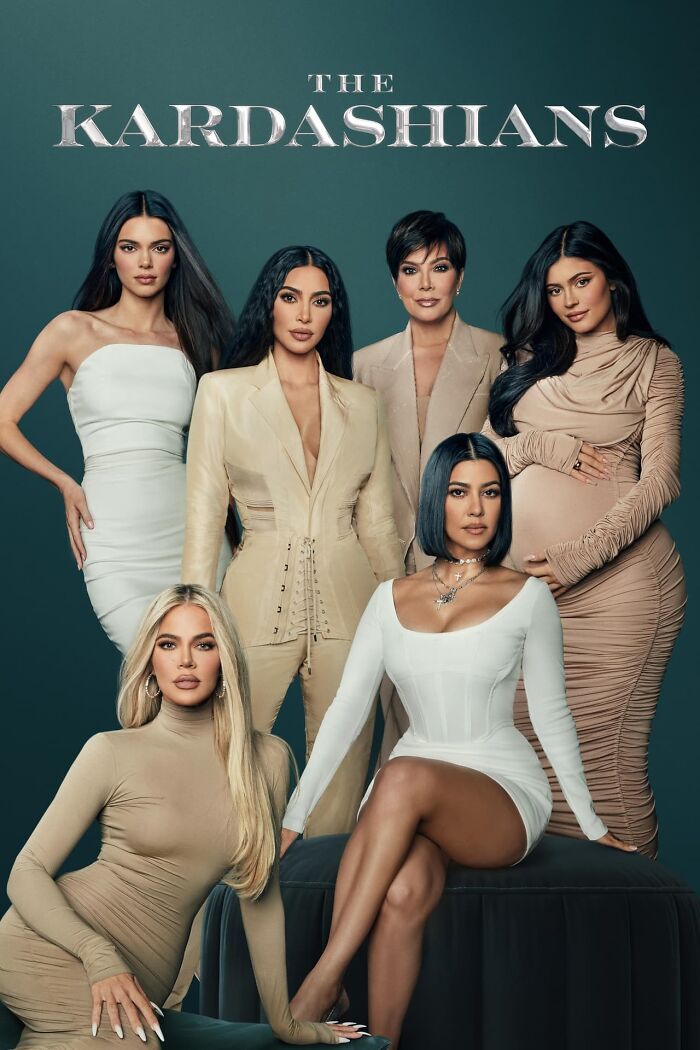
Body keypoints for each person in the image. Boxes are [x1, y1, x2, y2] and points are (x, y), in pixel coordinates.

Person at [279, 433, 634, 1049]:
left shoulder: (528, 596)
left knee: (400, 773)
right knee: (404, 889)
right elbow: (345, 713)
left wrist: (592, 824)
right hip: (407, 800)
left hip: (500, 793)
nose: (476, 508)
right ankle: (378, 1043)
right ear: (434, 501)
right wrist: (293, 817)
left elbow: (552, 715)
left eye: (490, 493)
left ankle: (320, 984)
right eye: (459, 492)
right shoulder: (389, 599)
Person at [0, 585, 365, 1048]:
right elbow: (26, 871)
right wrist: (98, 955)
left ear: (225, 658)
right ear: (150, 660)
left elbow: (260, 895)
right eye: (169, 644)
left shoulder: (268, 761)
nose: (186, 661)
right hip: (51, 946)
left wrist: (285, 1023)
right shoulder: (111, 752)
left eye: (204, 644)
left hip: (141, 975)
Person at [182, 246, 405, 837]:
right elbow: (204, 517)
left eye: (320, 301)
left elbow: (377, 524)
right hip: (253, 602)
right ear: (270, 305)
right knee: (228, 763)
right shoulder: (222, 392)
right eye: (290, 297)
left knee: (341, 776)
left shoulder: (363, 404)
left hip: (352, 606)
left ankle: (322, 893)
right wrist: (192, 617)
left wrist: (408, 617)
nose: (305, 314)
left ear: (334, 311)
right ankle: (231, 894)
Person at [482, 220, 686, 857]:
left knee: (607, 761)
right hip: (528, 593)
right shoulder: (525, 361)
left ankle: (644, 912)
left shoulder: (654, 361)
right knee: (527, 750)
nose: (569, 300)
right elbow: (478, 462)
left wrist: (577, 557)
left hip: (621, 590)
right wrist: (540, 446)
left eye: (581, 281)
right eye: (554, 289)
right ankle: (566, 913)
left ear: (612, 281)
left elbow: (661, 481)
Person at [0, 190, 232, 654]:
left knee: (206, 669)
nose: (145, 262)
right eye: (130, 247)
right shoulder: (73, 330)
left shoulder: (195, 341)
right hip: (113, 529)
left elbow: (227, 445)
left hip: (190, 527)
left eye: (159, 248)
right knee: (150, 662)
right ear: (111, 257)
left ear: (175, 258)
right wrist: (64, 483)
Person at [353, 211, 502, 756]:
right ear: (395, 281)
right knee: (396, 717)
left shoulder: (500, 355)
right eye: (410, 269)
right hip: (385, 563)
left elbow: (513, 457)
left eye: (438, 268)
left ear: (459, 276)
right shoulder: (364, 365)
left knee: (467, 716)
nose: (425, 283)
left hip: (472, 563)